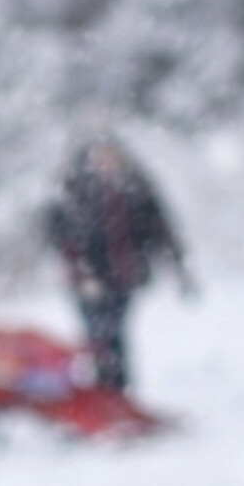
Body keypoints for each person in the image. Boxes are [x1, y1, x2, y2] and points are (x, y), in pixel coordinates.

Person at [45, 131, 193, 394]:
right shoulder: (74, 191)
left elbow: (161, 231)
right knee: (96, 334)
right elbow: (60, 236)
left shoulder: (137, 191)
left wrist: (179, 270)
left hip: (123, 276)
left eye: (111, 157)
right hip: (86, 278)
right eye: (100, 157)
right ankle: (106, 389)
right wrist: (82, 274)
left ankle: (116, 390)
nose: (106, 162)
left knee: (113, 332)